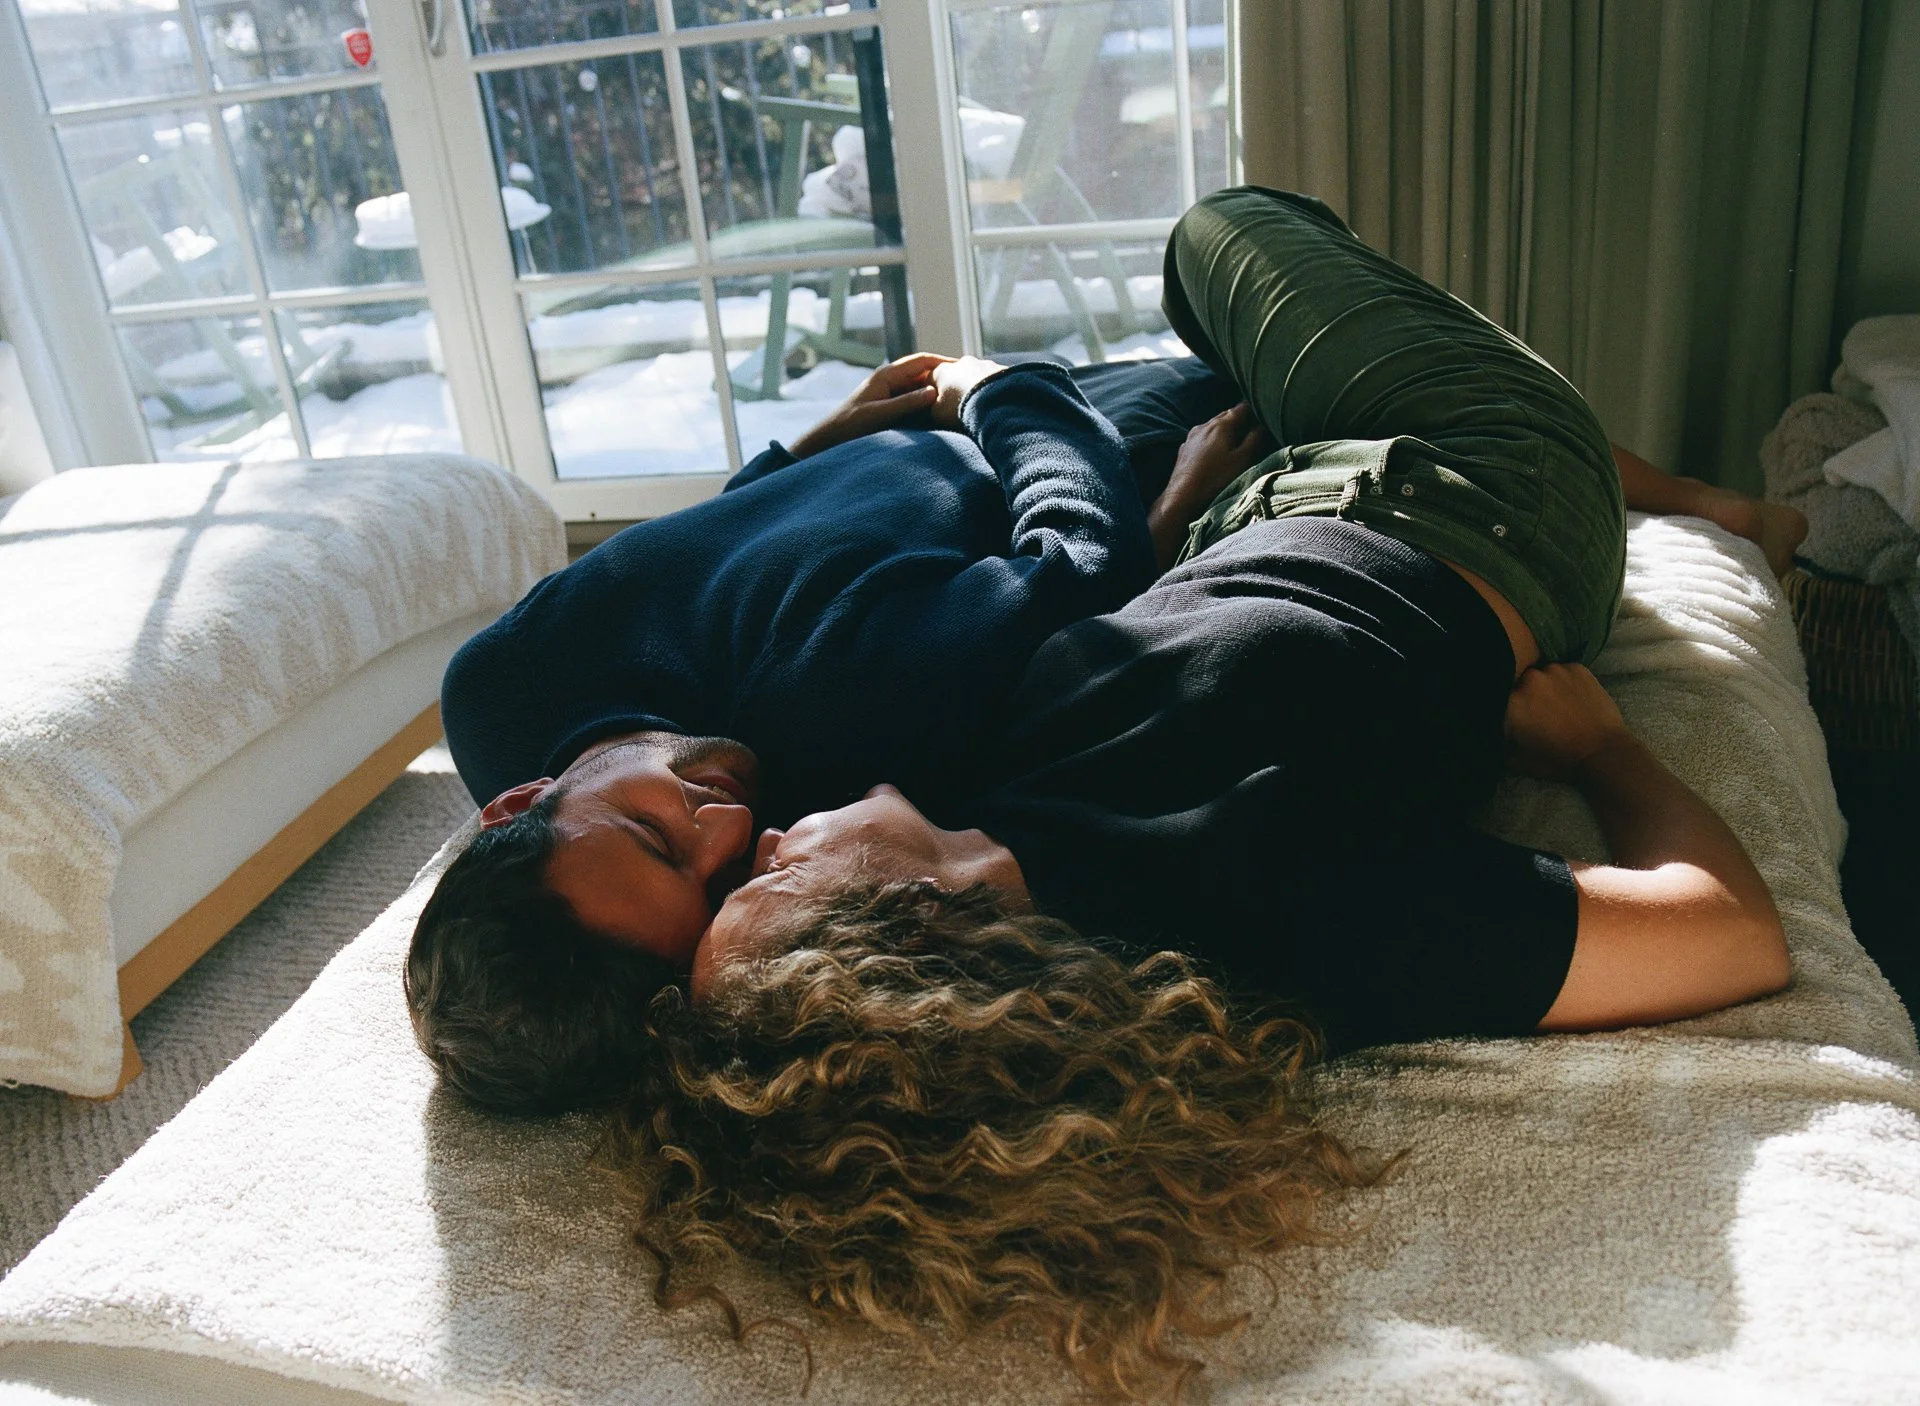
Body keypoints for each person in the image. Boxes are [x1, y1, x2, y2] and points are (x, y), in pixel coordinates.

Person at [598, 190, 1798, 1395]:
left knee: (1203, 376)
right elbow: (1729, 931)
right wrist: (1602, 754)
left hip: (1242, 506)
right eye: (772, 881)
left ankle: (1689, 496)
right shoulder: (1276, 911)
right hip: (1485, 487)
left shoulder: (974, 799)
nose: (758, 842)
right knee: (1218, 236)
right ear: (911, 928)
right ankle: (1705, 506)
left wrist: (1172, 512)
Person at [407, 349, 1257, 1112]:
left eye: (655, 834)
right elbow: (1083, 564)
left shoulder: (488, 694)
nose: (735, 826)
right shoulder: (848, 735)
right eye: (718, 890)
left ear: (517, 803)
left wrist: (808, 447)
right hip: (1064, 436)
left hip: (889, 435)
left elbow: (674, 555)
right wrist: (1003, 389)